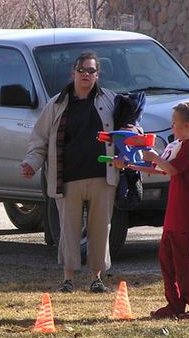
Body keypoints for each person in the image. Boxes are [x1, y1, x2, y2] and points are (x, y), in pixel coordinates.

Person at [21, 51, 132, 293]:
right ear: (73, 73)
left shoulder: (111, 101)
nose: (86, 75)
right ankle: (68, 279)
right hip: (67, 178)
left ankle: (97, 278)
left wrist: (130, 146)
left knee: (100, 230)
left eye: (91, 71)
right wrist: (31, 162)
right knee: (68, 231)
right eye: (81, 70)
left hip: (102, 177)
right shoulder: (57, 103)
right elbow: (39, 139)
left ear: (97, 75)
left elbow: (129, 129)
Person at [138, 101, 189, 319]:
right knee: (168, 261)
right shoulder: (180, 144)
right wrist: (130, 165)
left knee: (187, 265)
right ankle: (175, 304)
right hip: (174, 217)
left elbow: (172, 168)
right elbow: (162, 169)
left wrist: (154, 157)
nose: (172, 127)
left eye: (175, 123)